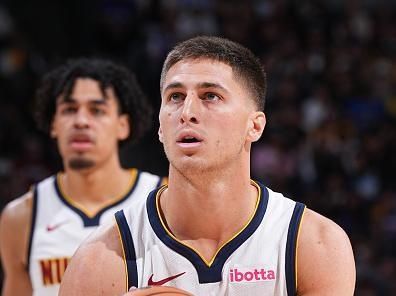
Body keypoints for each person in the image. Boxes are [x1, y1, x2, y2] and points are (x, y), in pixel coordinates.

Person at [59, 36, 356, 296]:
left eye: (210, 96)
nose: (187, 112)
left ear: (254, 126)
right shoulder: (100, 261)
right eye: (175, 97)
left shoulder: (315, 245)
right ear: (161, 127)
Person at [0, 58, 166, 296]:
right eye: (69, 110)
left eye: (97, 110)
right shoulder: (21, 217)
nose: (81, 121)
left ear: (123, 125)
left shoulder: (164, 200)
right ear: (54, 124)